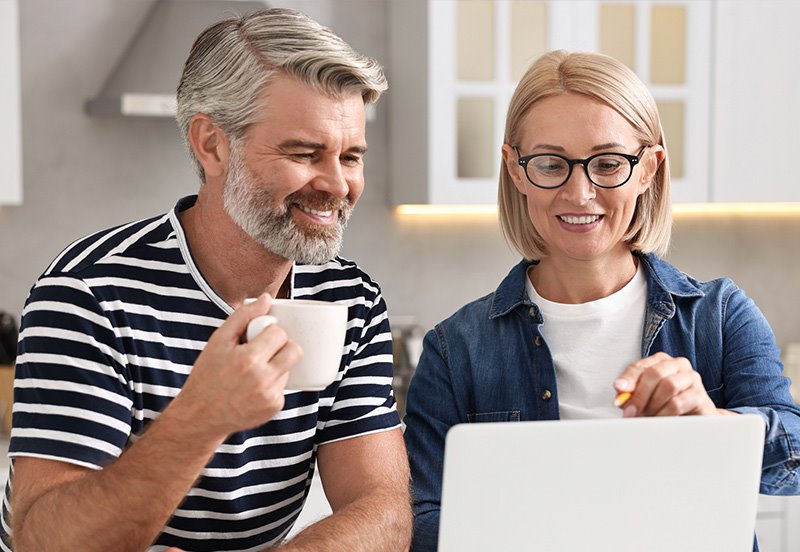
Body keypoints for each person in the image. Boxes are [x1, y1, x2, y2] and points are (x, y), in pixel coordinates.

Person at [2, 8, 412, 552]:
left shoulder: (349, 299)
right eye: (304, 152)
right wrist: (203, 416)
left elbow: (382, 512)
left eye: (351, 156)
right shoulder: (88, 295)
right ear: (211, 144)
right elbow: (43, 542)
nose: (337, 184)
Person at [402, 49, 800, 551]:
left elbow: (794, 461)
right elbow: (420, 519)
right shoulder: (456, 351)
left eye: (608, 163)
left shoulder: (719, 316)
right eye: (550, 164)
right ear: (516, 168)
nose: (580, 192)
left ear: (648, 169)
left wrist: (714, 425)